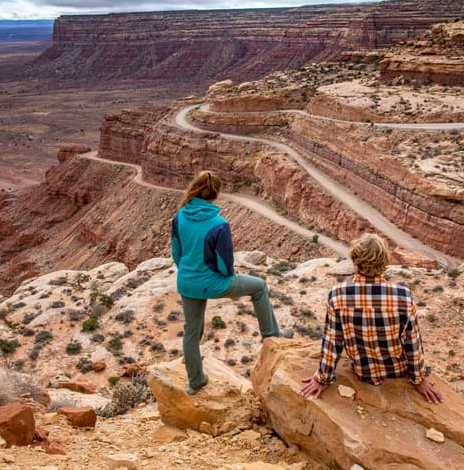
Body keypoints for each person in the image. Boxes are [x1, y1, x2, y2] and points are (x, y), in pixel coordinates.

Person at [171, 170, 288, 394]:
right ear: (215, 193)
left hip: (187, 282)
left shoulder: (179, 217)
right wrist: (229, 278)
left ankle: (195, 381)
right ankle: (271, 335)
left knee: (191, 333)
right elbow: (225, 264)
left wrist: (189, 272)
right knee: (259, 287)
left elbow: (176, 252)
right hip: (215, 283)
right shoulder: (219, 224)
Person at [299, 233, 443, 404]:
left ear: (355, 260)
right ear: (385, 262)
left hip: (363, 371)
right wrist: (418, 379)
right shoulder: (403, 296)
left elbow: (333, 341)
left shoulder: (338, 295)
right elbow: (412, 343)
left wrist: (322, 378)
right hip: (398, 371)